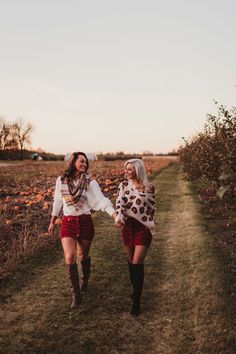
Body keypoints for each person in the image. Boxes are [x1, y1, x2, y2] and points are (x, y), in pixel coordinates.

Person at [48, 152, 116, 309]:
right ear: (73, 162)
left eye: (86, 162)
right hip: (68, 222)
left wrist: (113, 213)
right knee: (70, 256)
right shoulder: (62, 180)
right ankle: (76, 295)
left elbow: (100, 200)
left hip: (85, 221)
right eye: (82, 161)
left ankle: (85, 280)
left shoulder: (90, 182)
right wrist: (52, 220)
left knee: (83, 255)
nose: (85, 164)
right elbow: (58, 201)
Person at [115, 158, 155, 316]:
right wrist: (119, 218)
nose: (126, 171)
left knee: (137, 262)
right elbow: (119, 204)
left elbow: (152, 208)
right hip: (128, 227)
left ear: (138, 170)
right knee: (131, 262)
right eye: (126, 169)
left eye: (130, 169)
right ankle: (135, 288)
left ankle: (136, 301)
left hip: (143, 229)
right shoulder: (123, 186)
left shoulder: (149, 187)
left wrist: (149, 224)